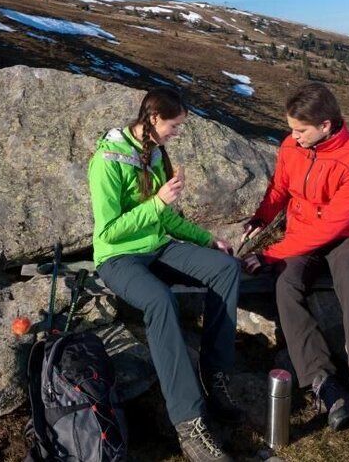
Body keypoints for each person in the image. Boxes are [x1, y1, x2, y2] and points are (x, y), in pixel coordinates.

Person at [88, 87, 243, 462]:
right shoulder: (107, 160)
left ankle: (215, 375)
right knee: (160, 300)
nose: (176, 133)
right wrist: (158, 202)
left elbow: (166, 219)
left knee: (226, 268)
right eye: (174, 126)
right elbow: (108, 232)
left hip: (157, 247)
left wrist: (207, 239)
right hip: (118, 258)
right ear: (154, 119)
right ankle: (189, 423)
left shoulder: (154, 153)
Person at [241, 82, 349, 440]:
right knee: (286, 285)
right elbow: (280, 187)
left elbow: (331, 225)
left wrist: (271, 253)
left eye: (300, 130)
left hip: (348, 235)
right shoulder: (292, 145)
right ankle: (323, 382)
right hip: (302, 231)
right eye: (291, 128)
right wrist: (261, 218)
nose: (293, 137)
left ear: (325, 125)